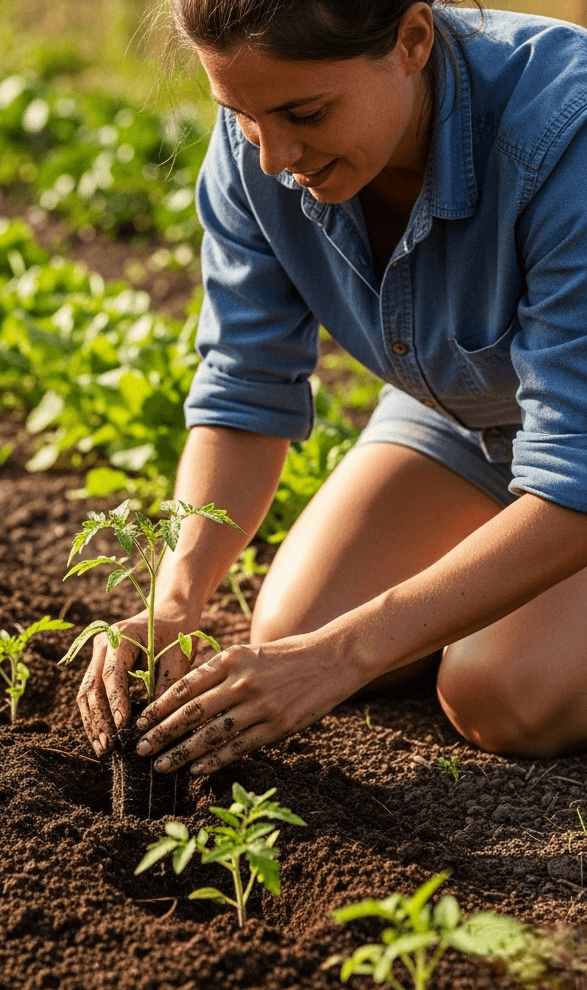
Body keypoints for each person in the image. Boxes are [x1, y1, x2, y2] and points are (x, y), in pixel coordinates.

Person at [76, 0, 587, 776]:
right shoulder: (260, 135)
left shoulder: (563, 134)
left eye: (305, 113)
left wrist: (346, 653)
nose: (276, 157)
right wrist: (174, 600)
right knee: (290, 628)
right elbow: (246, 385)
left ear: (412, 39)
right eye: (241, 116)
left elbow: (577, 467)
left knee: (502, 694)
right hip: (468, 410)